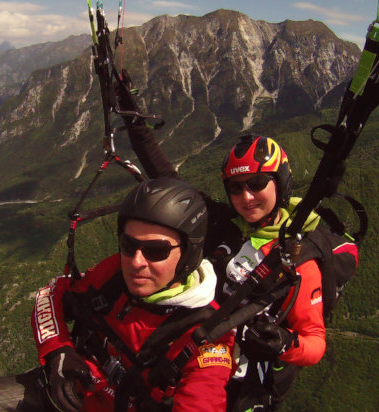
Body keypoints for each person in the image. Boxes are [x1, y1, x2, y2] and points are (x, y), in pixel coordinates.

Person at [0, 177, 234, 412]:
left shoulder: (207, 335)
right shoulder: (114, 274)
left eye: (156, 251)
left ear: (188, 254)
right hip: (63, 392)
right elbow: (50, 294)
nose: (137, 261)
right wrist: (58, 352)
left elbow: (202, 397)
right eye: (129, 245)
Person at [121, 98, 325, 411]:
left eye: (257, 184)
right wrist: (134, 117)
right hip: (190, 360)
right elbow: (162, 171)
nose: (246, 197)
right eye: (235, 187)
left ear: (280, 181)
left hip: (241, 387)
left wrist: (284, 344)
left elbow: (315, 341)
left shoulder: (296, 256)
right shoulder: (221, 222)